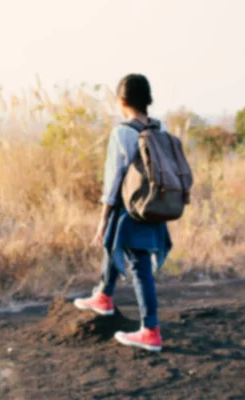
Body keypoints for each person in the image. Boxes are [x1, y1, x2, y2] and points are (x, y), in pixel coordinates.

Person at [73, 73, 172, 352]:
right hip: (155, 204)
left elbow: (114, 179)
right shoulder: (160, 127)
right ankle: (104, 295)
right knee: (115, 246)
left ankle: (150, 331)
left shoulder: (122, 132)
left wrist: (103, 218)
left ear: (122, 101)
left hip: (131, 207)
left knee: (139, 266)